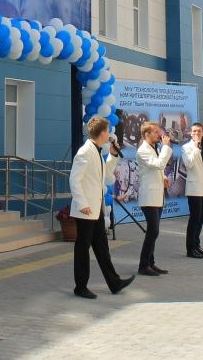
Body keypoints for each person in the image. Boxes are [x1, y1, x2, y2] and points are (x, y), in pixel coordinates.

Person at [69, 116, 133, 299]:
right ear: (103, 132)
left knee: (101, 247)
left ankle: (114, 282)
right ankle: (80, 287)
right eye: (108, 131)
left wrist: (113, 155)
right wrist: (82, 204)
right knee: (83, 248)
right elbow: (74, 180)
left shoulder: (96, 151)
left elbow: (103, 174)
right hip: (86, 209)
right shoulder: (85, 152)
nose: (109, 135)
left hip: (96, 208)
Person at [135, 122, 171, 276]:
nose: (159, 134)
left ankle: (151, 262)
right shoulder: (143, 150)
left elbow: (155, 169)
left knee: (154, 232)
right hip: (149, 197)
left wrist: (163, 177)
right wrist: (166, 147)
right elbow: (159, 163)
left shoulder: (153, 148)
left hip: (157, 196)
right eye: (155, 132)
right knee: (153, 231)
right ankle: (143, 265)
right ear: (146, 134)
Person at [182, 123, 203, 258]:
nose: (197, 133)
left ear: (202, 133)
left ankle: (197, 245)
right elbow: (189, 164)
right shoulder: (186, 147)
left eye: (199, 131)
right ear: (191, 133)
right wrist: (196, 147)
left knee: (201, 219)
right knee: (194, 219)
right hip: (194, 188)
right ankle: (190, 249)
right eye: (194, 131)